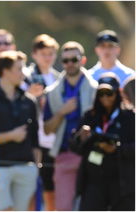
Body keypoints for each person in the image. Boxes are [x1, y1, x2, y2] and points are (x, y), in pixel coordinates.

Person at [43, 41, 98, 210]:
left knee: (92, 205)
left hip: (92, 155)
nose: (70, 64)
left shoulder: (98, 89)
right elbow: (47, 129)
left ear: (83, 60)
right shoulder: (52, 92)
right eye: (66, 60)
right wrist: (62, 112)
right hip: (64, 154)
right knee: (64, 207)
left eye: (74, 59)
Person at [70, 73, 135, 210]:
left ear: (117, 93)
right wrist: (81, 138)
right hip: (94, 181)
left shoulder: (129, 117)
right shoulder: (90, 116)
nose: (105, 97)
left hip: (122, 182)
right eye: (101, 93)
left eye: (109, 93)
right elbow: (75, 147)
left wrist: (117, 149)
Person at [0, 50, 39, 210]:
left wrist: (35, 166)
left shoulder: (30, 101)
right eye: (19, 69)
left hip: (26, 167)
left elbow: (35, 137)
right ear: (5, 71)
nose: (23, 74)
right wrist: (10, 136)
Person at [27, 34, 60, 210]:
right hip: (33, 139)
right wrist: (30, 95)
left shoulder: (58, 77)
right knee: (31, 187)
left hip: (52, 140)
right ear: (35, 54)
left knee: (50, 186)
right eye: (43, 53)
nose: (47, 57)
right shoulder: (26, 76)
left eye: (51, 53)